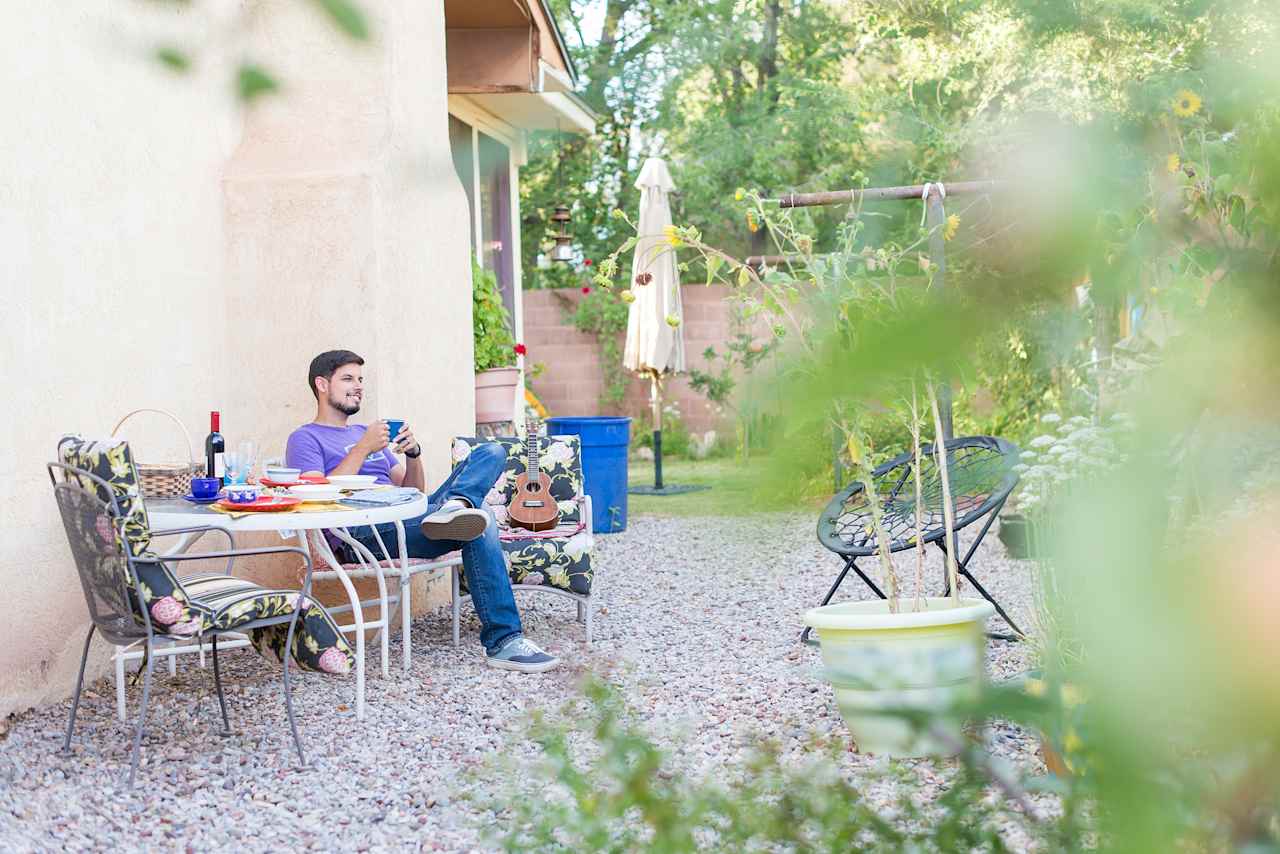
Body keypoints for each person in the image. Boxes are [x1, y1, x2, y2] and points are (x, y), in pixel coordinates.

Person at [284, 349, 558, 673]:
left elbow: (413, 492)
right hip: (360, 534)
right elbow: (315, 498)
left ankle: (457, 506)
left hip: (406, 518)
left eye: (360, 379)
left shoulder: (364, 434)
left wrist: (413, 454)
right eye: (348, 379)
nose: (358, 386)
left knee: (491, 451)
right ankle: (505, 641)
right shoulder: (305, 438)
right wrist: (363, 449)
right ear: (322, 384)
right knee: (480, 519)